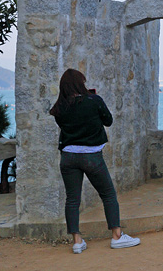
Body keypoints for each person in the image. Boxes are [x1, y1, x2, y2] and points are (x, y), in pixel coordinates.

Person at [49, 69, 140, 253]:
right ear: (80, 84)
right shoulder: (94, 101)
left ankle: (77, 241)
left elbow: (66, 126)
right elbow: (108, 121)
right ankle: (116, 236)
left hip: (68, 157)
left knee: (72, 199)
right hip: (91, 156)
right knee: (108, 194)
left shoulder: (59, 108)